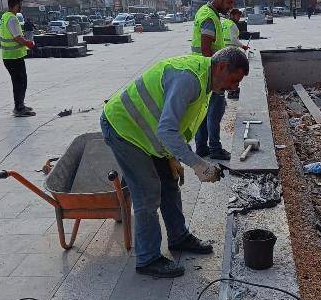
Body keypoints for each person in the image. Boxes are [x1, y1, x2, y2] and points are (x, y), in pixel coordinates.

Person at [101, 47, 250, 278]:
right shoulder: (189, 79)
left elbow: (171, 123)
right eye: (233, 80)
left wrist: (172, 156)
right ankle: (148, 258)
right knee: (148, 193)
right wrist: (199, 165)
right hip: (125, 130)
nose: (233, 88)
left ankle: (178, 237)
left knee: (170, 182)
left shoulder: (207, 79)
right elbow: (167, 130)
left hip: (149, 133)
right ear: (221, 67)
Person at [191, 0, 238, 160]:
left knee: (203, 112)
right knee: (215, 112)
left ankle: (202, 148)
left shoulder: (206, 11)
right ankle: (215, 149)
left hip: (203, 70)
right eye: (228, 2)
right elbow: (206, 49)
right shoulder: (209, 17)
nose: (230, 7)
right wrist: (222, 75)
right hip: (210, 72)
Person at [0, 0, 36, 116]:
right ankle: (19, 108)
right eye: (20, 5)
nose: (21, 7)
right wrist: (29, 43)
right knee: (20, 82)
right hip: (14, 57)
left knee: (18, 82)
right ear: (16, 5)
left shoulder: (5, 16)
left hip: (9, 56)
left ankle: (20, 105)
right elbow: (18, 38)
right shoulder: (12, 19)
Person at [221, 8, 249, 100]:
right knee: (233, 71)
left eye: (239, 16)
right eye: (237, 16)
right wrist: (242, 46)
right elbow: (233, 39)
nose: (238, 18)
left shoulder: (224, 23)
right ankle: (232, 91)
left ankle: (224, 91)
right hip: (231, 51)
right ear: (232, 15)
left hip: (222, 50)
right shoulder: (233, 25)